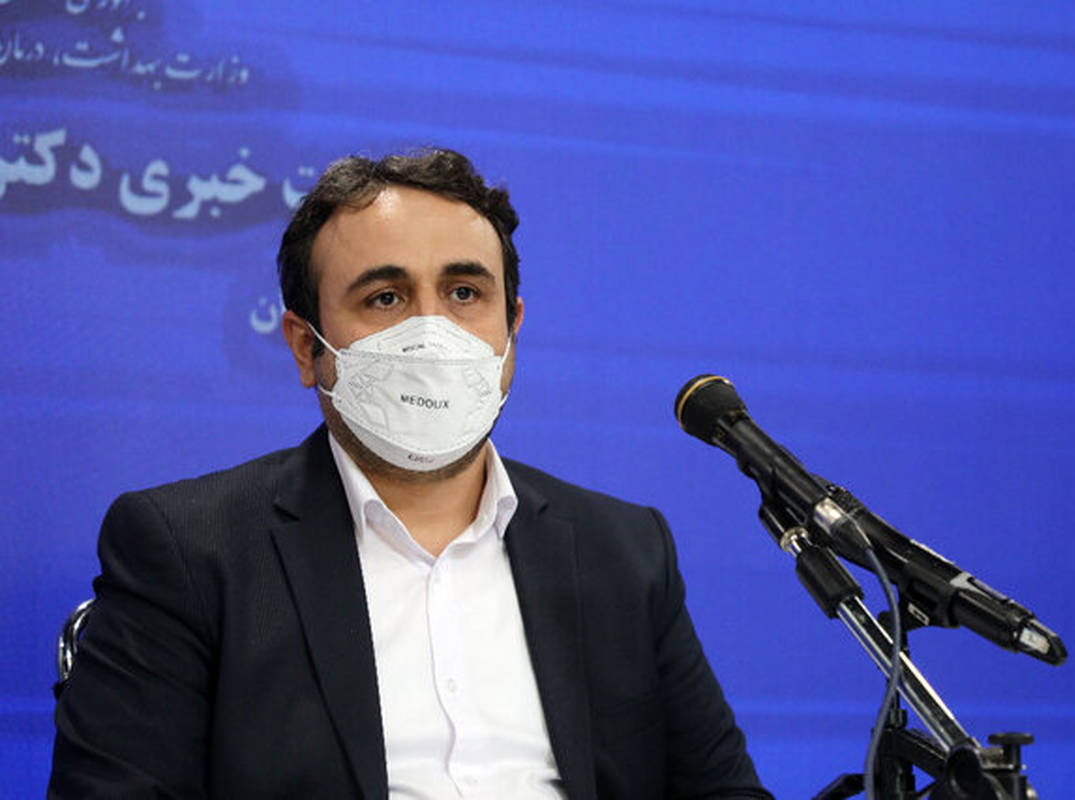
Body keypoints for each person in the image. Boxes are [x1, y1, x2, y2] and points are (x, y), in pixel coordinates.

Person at [49, 149, 772, 799]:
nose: (434, 334)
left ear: (512, 329)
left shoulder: (624, 551)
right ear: (305, 347)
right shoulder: (188, 550)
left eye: (465, 294)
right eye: (385, 299)